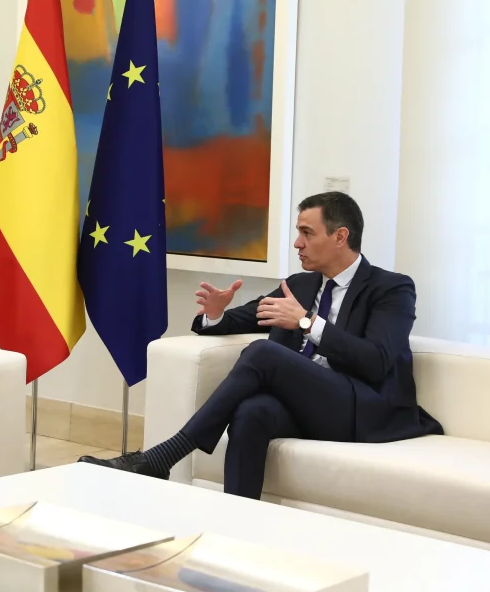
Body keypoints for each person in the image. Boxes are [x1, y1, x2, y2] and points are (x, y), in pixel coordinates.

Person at [79, 192, 443, 499]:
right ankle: (239, 528)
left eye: (306, 233)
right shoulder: (301, 284)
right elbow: (245, 317)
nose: (297, 243)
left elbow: (377, 361)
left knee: (265, 353)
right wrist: (218, 314)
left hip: (361, 409)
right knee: (253, 412)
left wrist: (307, 322)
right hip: (309, 407)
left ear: (340, 236)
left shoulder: (391, 288)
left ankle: (162, 456)